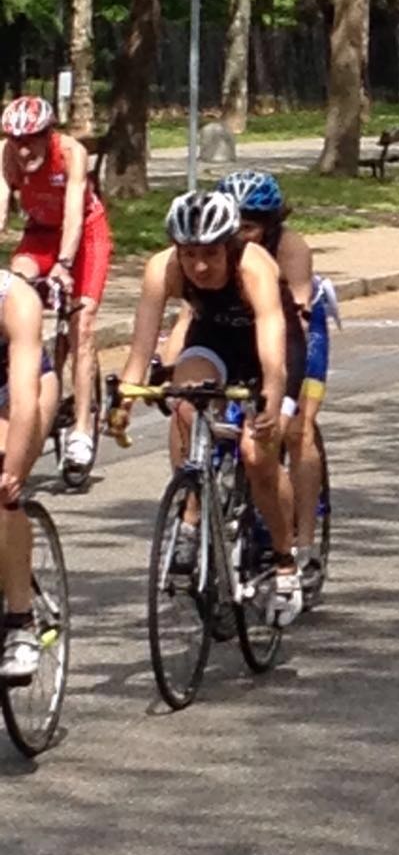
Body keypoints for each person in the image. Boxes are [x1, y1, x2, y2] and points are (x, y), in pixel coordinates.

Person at [108, 191, 307, 625]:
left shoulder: (253, 266)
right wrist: (125, 397)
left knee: (258, 456)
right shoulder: (162, 269)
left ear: (230, 246)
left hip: (269, 348)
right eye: (190, 254)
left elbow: (273, 346)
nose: (199, 266)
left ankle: (284, 558)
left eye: (211, 254)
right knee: (184, 401)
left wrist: (272, 398)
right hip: (212, 339)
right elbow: (142, 346)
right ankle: (193, 511)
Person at [215, 170, 337, 601]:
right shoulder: (219, 249)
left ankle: (304, 546)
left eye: (250, 225)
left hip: (296, 327)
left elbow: (294, 318)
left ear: (270, 224)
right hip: (245, 326)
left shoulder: (291, 247)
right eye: (235, 223)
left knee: (295, 427)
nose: (240, 232)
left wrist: (278, 380)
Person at [0, 95, 112, 471]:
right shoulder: (6, 155)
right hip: (39, 234)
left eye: (31, 138)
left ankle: (82, 425)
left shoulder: (70, 152)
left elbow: (75, 214)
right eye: (15, 139)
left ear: (49, 134)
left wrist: (64, 265)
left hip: (84, 236)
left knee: (82, 324)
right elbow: (0, 207)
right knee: (16, 288)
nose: (22, 147)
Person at [0, 269, 59, 681]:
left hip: (19, 389)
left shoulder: (15, 299)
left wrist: (13, 469)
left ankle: (21, 621)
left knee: (0, 486)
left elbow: (24, 403)